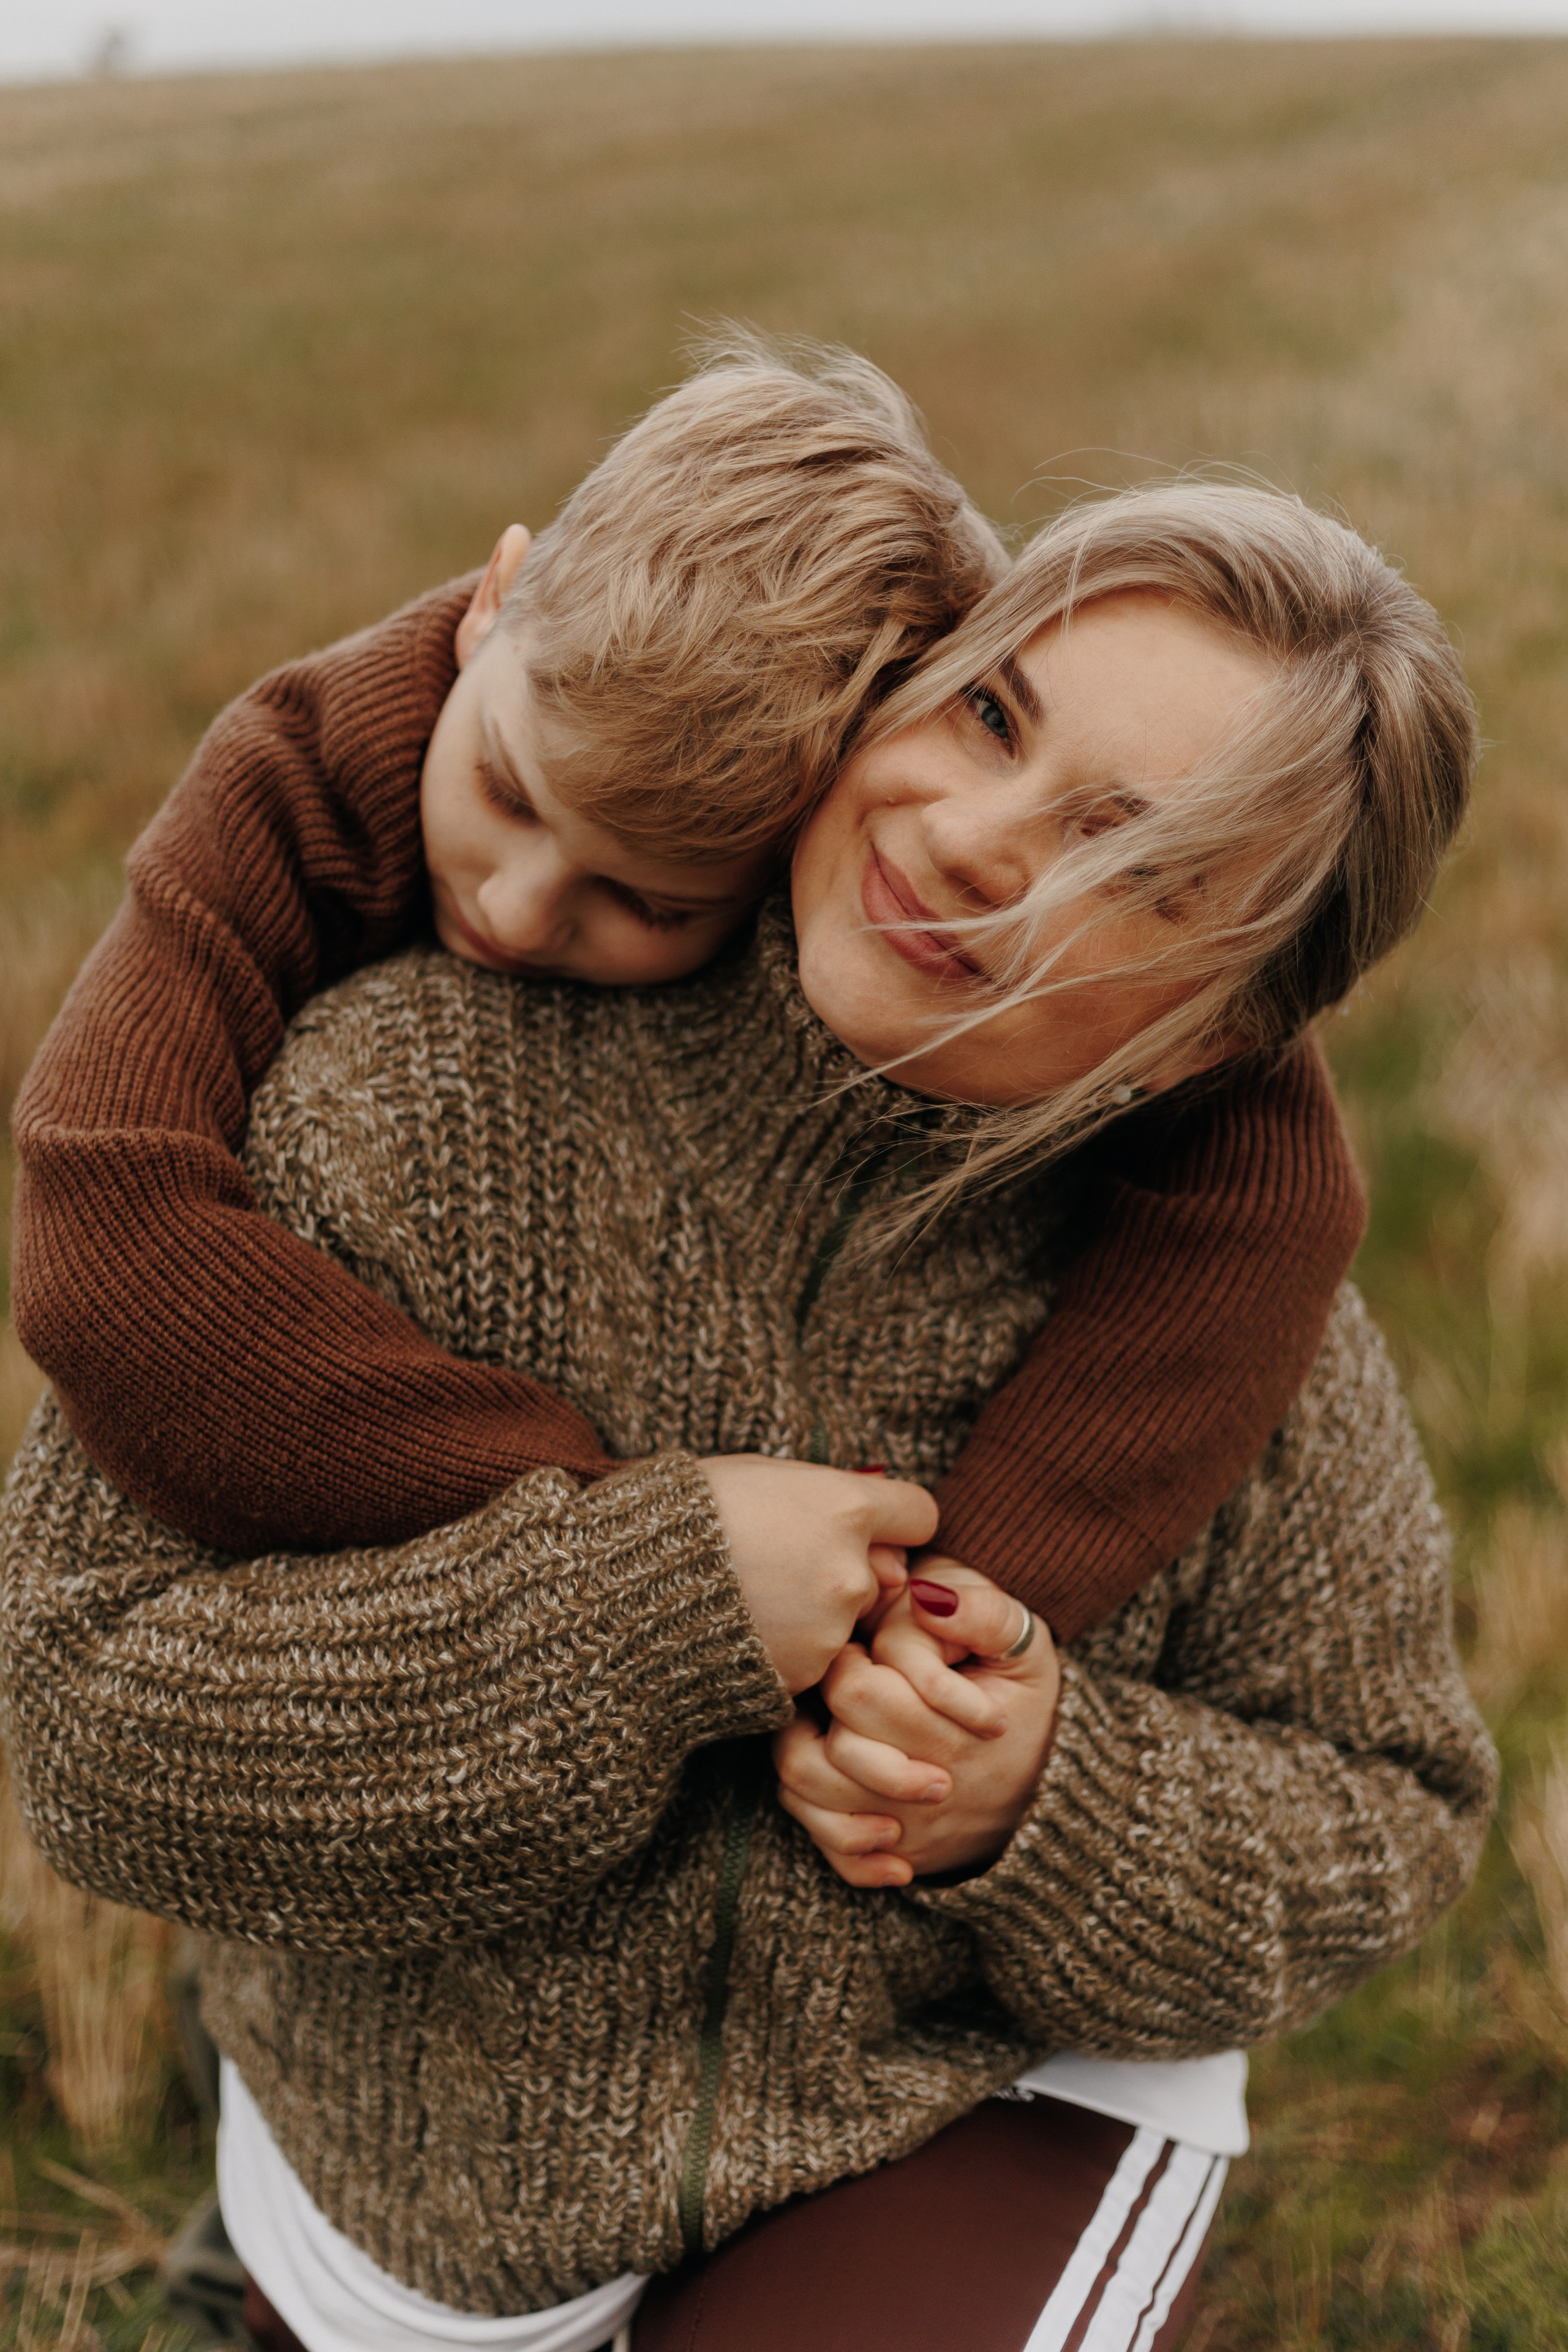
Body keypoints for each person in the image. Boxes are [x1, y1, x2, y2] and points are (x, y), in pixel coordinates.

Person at [1, 473, 1496, 2352]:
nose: (970, 842)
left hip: (957, 2105)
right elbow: (93, 1729)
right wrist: (644, 1609)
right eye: (991, 715)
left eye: (1129, 856)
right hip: (412, 2156)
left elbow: (1394, 1806)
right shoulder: (394, 1093)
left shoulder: (1231, 1310)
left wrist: (1047, 1798)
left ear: (1215, 1029)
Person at [11, 343, 1364, 1662]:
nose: (517, 914)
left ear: (821, 789)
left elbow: (1271, 1189)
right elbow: (101, 1251)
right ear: (496, 596)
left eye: (654, 903)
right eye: (503, 793)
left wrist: (954, 1631)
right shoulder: (300, 784)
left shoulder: (913, 841)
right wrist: (639, 1546)